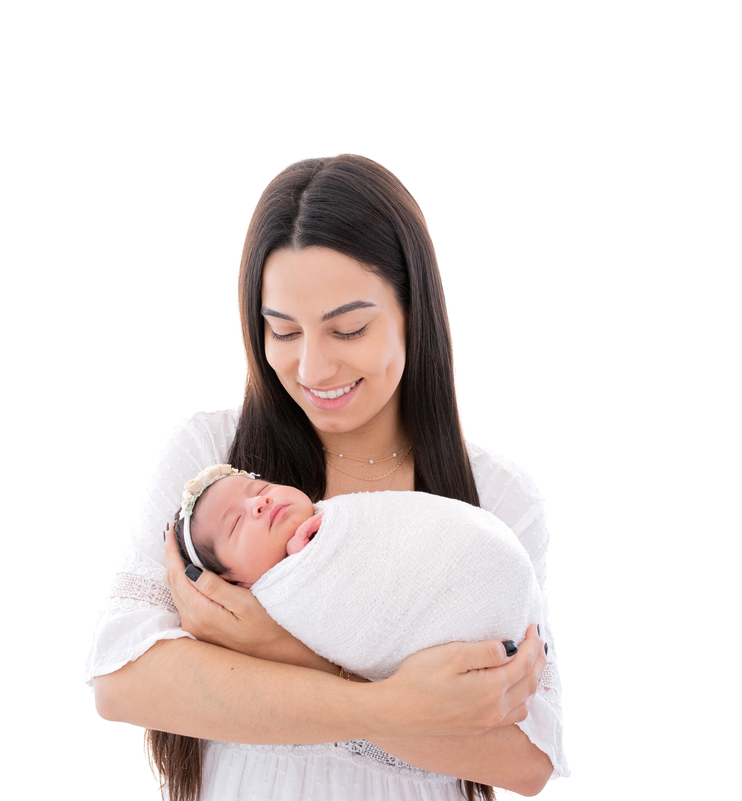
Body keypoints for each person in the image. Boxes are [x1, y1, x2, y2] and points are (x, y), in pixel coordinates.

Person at [86, 155, 568, 800]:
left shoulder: (494, 497)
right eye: (283, 331)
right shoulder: (211, 459)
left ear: (414, 311)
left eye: (349, 329)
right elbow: (124, 680)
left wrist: (281, 650)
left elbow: (525, 760)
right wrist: (394, 704)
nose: (313, 369)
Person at [170, 464, 550, 691]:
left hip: (481, 572)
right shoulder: (281, 598)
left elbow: (407, 534)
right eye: (236, 524)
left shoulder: (340, 517)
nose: (259, 502)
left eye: (261, 489)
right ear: (236, 585)